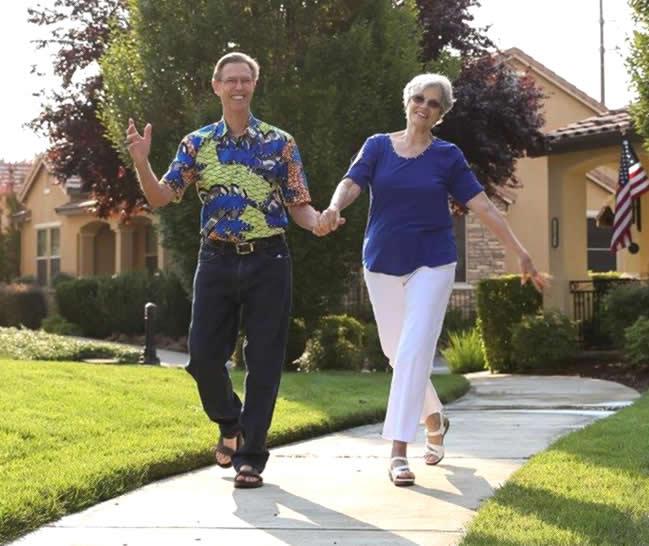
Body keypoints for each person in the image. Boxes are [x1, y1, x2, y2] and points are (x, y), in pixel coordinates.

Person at [314, 73, 545, 486]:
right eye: (419, 98)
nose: (424, 106)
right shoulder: (378, 146)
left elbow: (483, 207)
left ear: (441, 113)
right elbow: (351, 183)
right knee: (395, 351)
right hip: (382, 259)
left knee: (416, 345)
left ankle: (399, 451)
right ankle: (434, 416)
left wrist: (520, 251)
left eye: (434, 103)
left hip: (433, 261)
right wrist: (332, 207)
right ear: (407, 101)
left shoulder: (447, 156)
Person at [125, 52, 332, 489]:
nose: (238, 87)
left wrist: (318, 222)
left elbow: (299, 205)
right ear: (216, 86)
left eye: (246, 80)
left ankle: (250, 458)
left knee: (264, 360)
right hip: (216, 259)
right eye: (230, 80)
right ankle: (230, 423)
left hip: (269, 260)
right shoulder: (196, 144)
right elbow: (162, 197)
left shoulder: (280, 142)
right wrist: (142, 162)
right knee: (202, 357)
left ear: (254, 86)